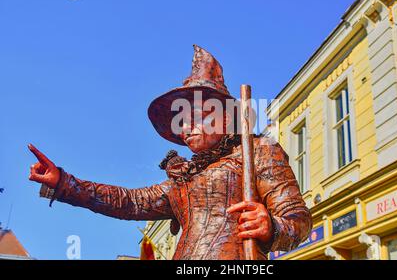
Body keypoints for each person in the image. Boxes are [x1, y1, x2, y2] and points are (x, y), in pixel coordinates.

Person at [28, 45, 312, 260]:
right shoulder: (184, 178)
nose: (186, 127)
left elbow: (298, 221)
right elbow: (129, 201)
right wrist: (64, 183)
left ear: (227, 117)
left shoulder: (259, 151)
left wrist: (271, 226)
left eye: (197, 115)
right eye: (182, 120)